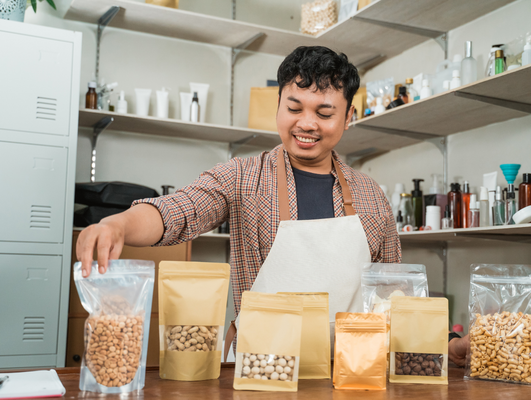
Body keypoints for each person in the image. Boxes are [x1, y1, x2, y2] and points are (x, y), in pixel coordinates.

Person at [76, 45, 469, 365]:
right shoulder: (243, 176)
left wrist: (440, 346)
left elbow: (394, 297)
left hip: (351, 368)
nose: (306, 123)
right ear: (278, 106)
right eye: (294, 108)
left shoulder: (370, 195)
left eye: (324, 112)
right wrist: (119, 226)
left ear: (349, 117)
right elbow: (178, 211)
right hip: (259, 365)